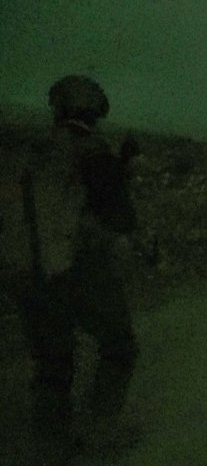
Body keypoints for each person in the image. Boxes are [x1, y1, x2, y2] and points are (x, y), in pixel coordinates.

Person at [0, 75, 139, 460]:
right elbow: (119, 216)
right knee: (120, 346)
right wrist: (125, 168)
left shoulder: (30, 149)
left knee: (52, 366)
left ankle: (50, 447)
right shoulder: (90, 149)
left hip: (21, 271)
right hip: (71, 268)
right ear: (96, 110)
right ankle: (99, 432)